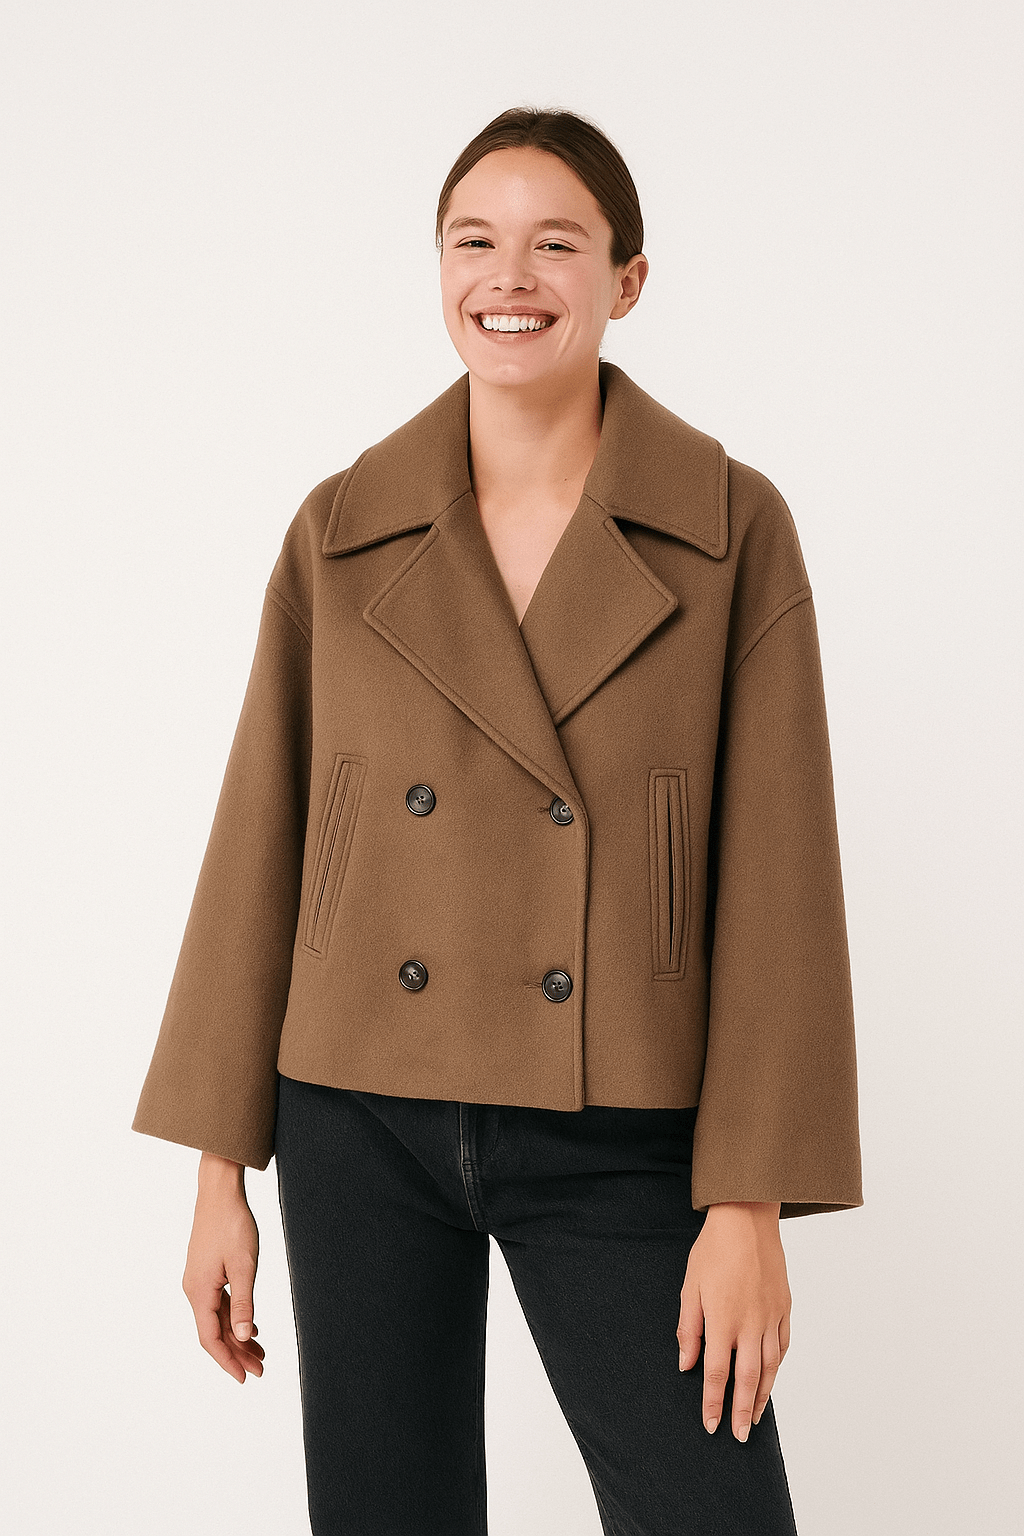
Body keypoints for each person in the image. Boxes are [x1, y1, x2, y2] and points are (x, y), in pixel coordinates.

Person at [132, 106, 863, 1534]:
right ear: (440, 269)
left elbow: (781, 876)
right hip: (358, 1112)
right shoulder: (343, 526)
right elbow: (262, 838)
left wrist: (751, 1203)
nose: (509, 277)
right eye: (474, 241)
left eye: (556, 244)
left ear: (626, 280)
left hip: (621, 1118)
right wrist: (222, 1171)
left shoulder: (729, 528)